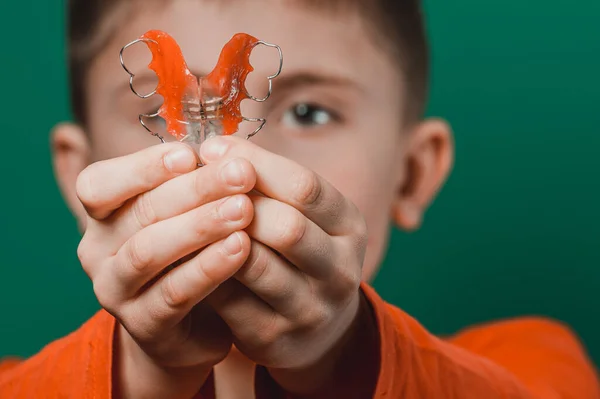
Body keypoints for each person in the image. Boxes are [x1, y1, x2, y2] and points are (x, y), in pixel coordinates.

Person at [1, 0, 599, 398]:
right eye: (162, 111)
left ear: (413, 173)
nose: (232, 153)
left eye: (310, 112)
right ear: (82, 182)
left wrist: (341, 355)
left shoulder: (533, 364)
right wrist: (143, 374)